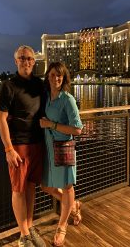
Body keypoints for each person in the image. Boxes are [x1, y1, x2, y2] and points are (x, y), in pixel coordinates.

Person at [0, 45, 46, 247]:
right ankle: (23, 236)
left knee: (31, 187)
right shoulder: (8, 86)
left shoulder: (39, 84)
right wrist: (8, 148)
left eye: (29, 58)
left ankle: (30, 227)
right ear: (15, 61)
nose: (26, 61)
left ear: (34, 62)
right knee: (18, 189)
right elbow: (0, 118)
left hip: (37, 143)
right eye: (22, 58)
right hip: (18, 145)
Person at [39, 62, 83, 246]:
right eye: (53, 75)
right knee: (45, 186)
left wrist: (52, 125)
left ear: (64, 78)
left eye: (60, 75)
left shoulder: (67, 99)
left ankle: (62, 226)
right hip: (49, 148)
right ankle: (73, 205)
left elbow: (78, 129)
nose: (56, 78)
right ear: (48, 76)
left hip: (64, 146)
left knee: (66, 187)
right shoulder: (47, 97)